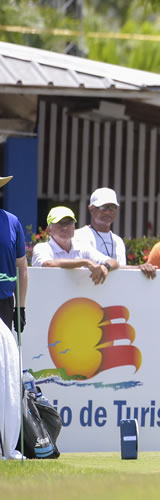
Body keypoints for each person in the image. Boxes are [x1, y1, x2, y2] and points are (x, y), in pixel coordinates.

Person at [74, 187, 157, 279]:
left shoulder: (118, 241)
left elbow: (120, 271)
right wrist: (136, 267)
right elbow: (91, 267)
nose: (107, 212)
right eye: (103, 207)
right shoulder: (79, 236)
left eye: (112, 207)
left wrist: (140, 268)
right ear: (91, 209)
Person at [0, 175, 26, 460]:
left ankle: (6, 442)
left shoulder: (12, 222)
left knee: (4, 375)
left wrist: (22, 308)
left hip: (4, 303)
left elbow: (22, 268)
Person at [31, 206, 119, 285]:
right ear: (49, 230)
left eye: (69, 223)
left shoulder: (83, 247)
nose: (65, 227)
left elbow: (114, 262)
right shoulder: (42, 248)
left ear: (74, 227)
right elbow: (48, 264)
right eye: (60, 223)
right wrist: (86, 262)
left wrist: (105, 267)